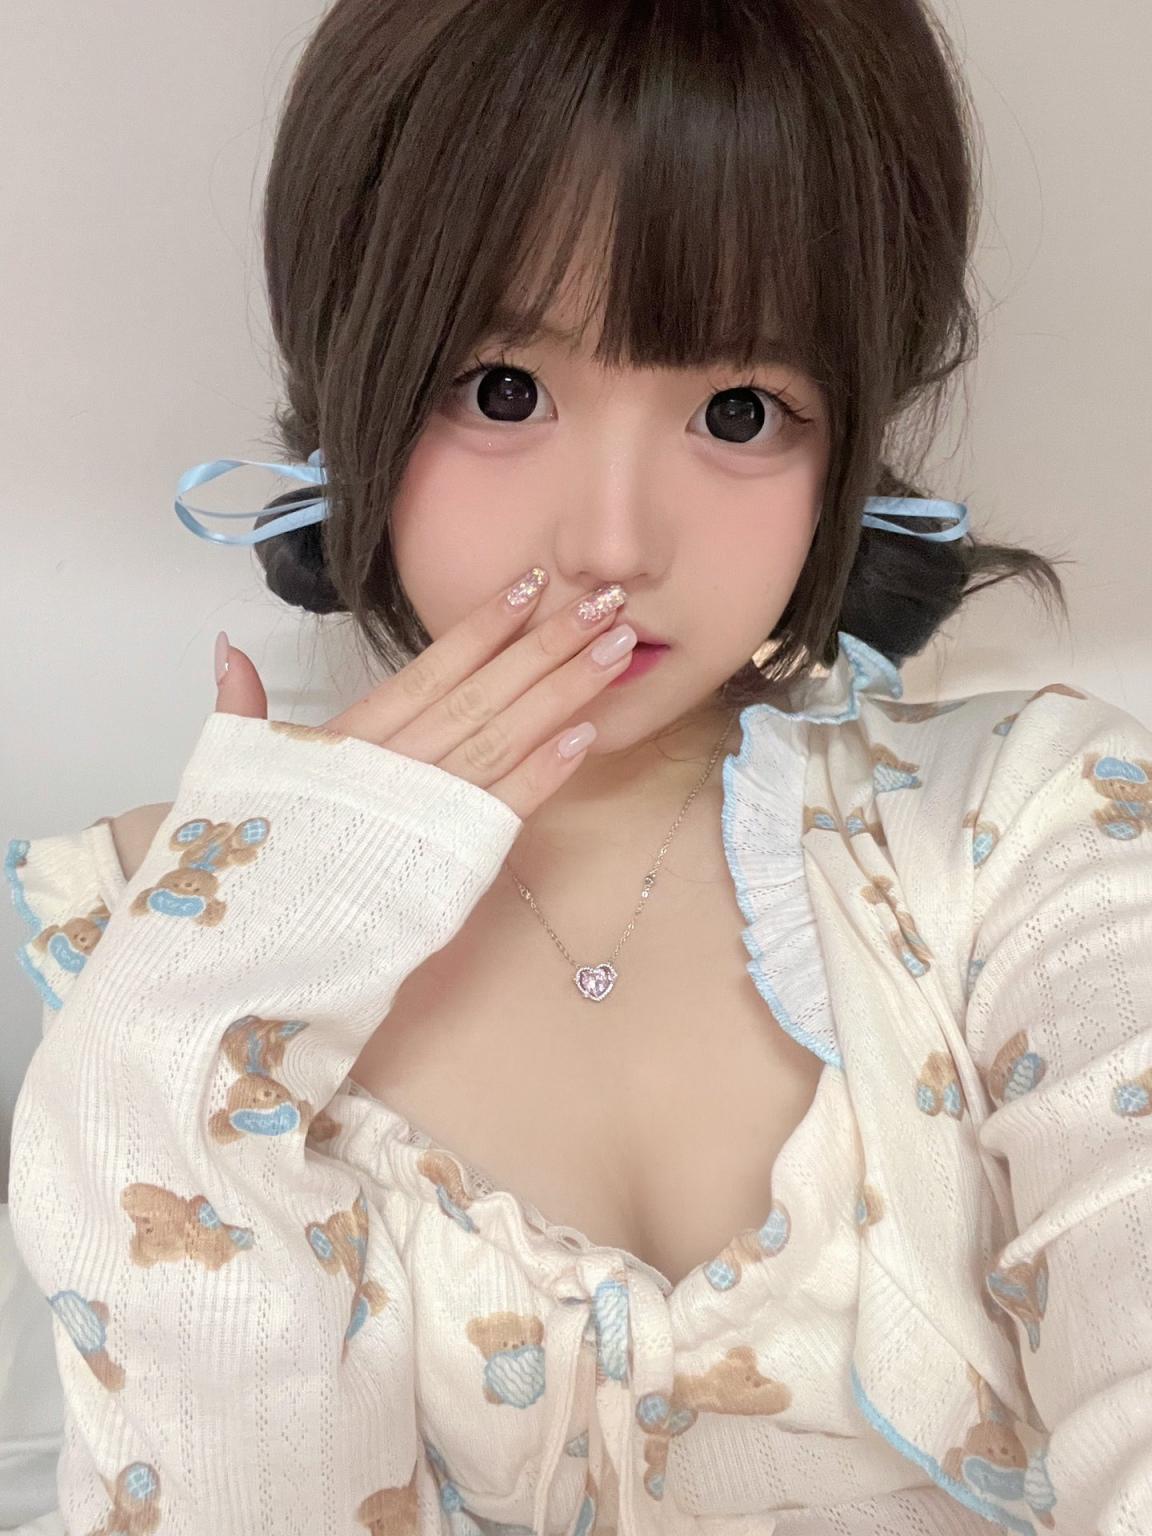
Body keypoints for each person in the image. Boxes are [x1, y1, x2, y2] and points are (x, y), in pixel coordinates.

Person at [7, 0, 1152, 1531]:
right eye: (503, 389)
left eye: (738, 411)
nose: (613, 543)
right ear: (355, 367)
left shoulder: (1035, 835)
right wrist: (220, 989)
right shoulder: (155, 930)